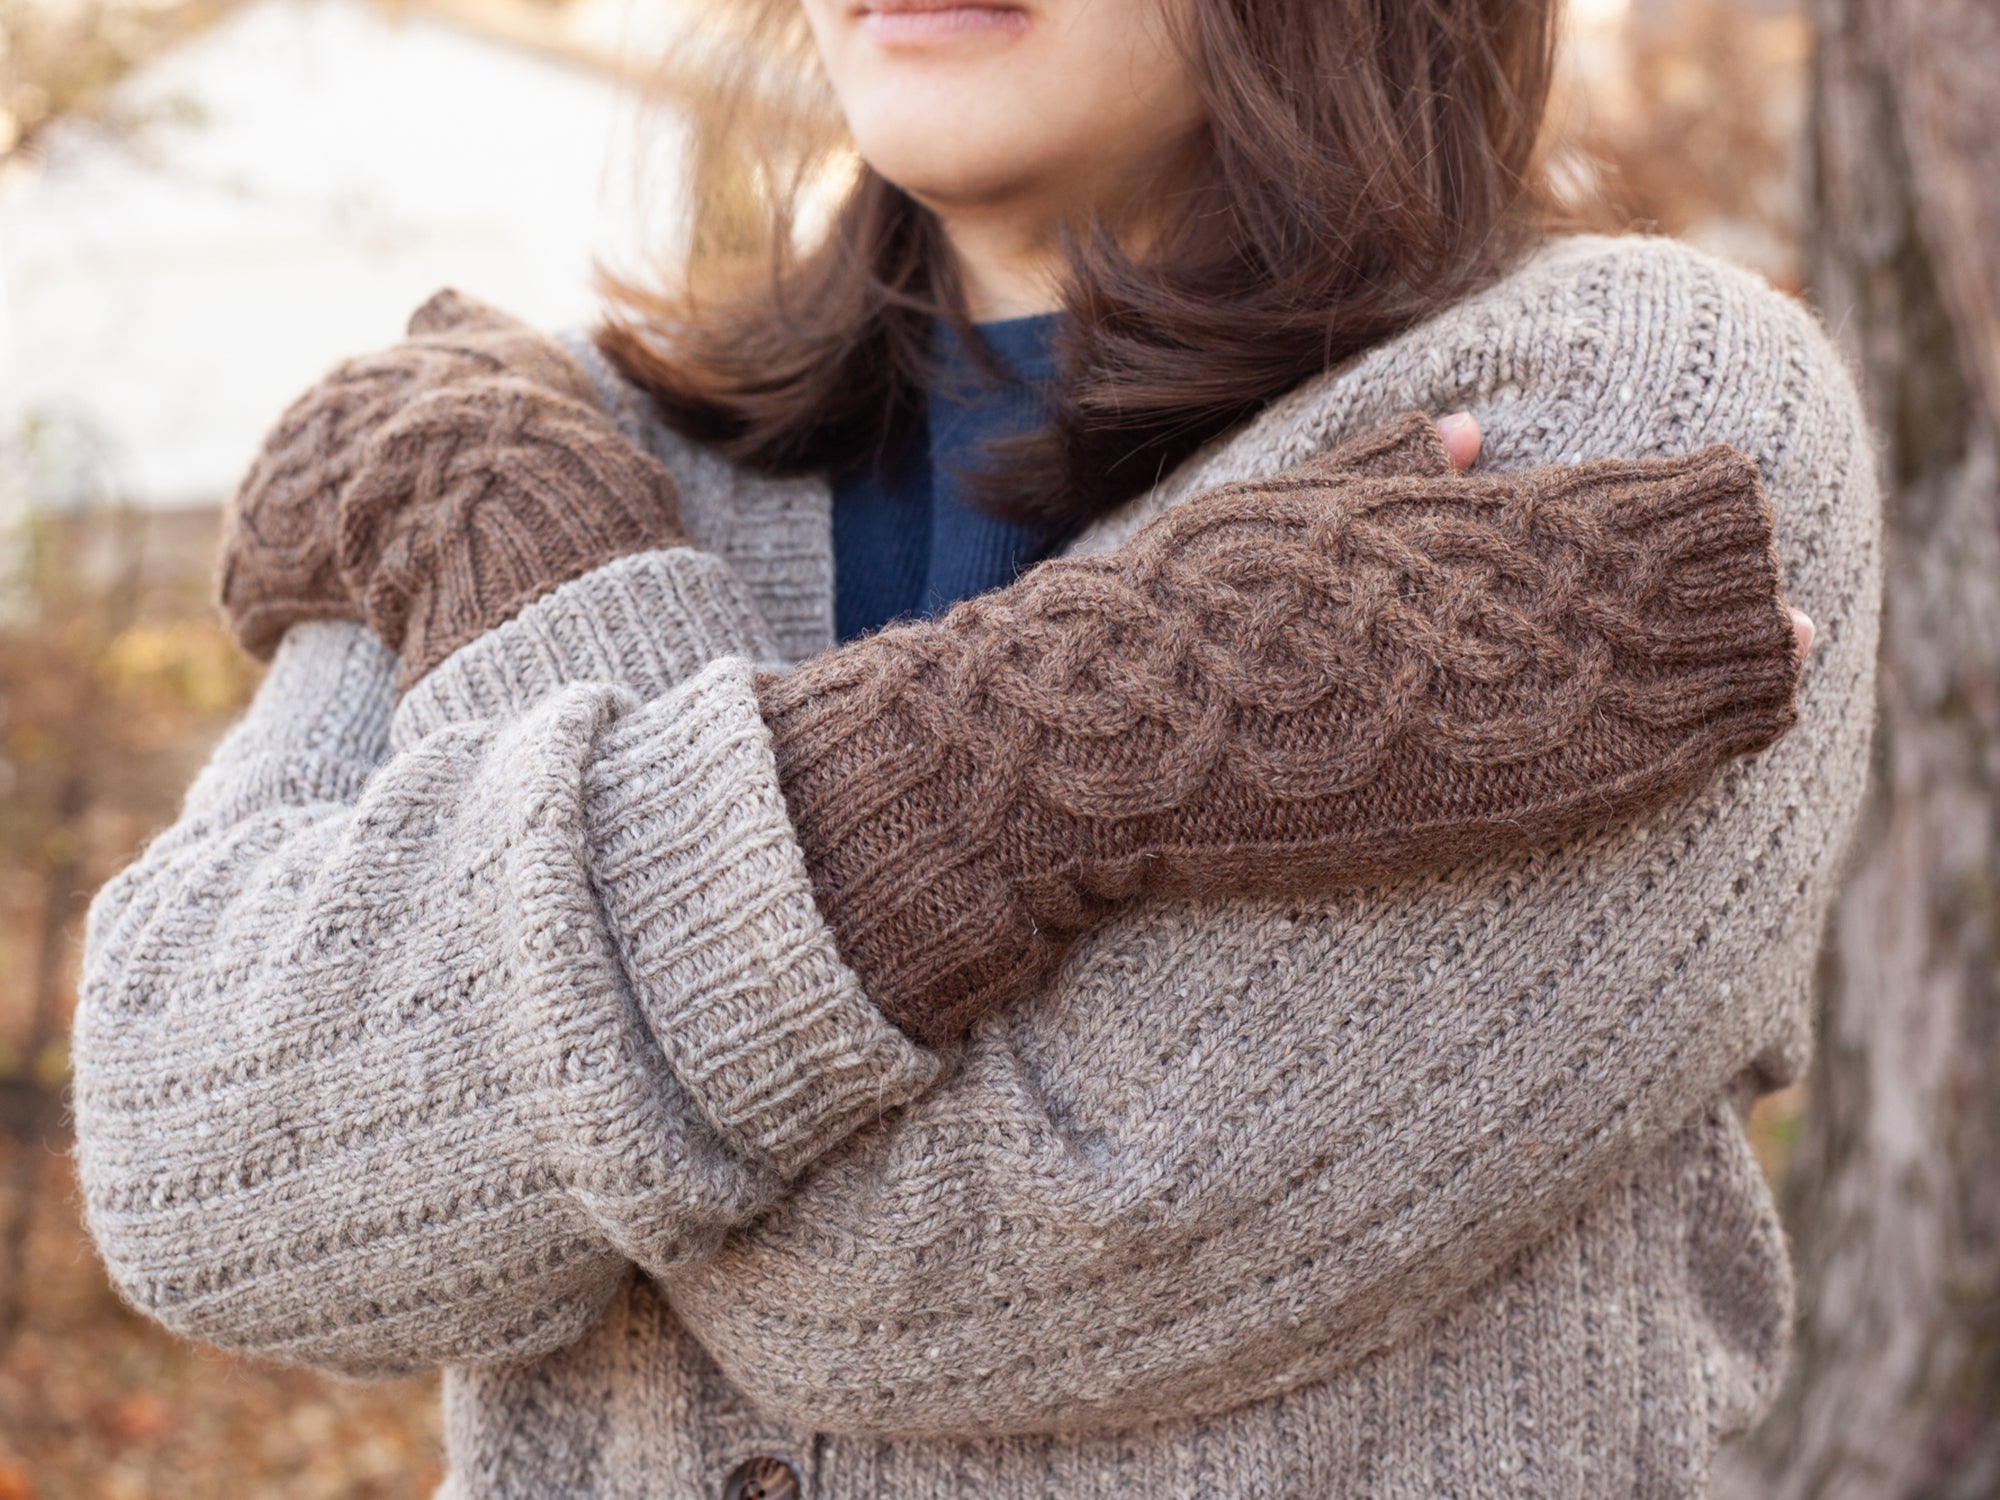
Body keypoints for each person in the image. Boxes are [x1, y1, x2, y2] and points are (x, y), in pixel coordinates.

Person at [73, 1, 1876, 1497]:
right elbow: (190, 1163)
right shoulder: (544, 454)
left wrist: (557, 614)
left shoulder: (1634, 408)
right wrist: (1050, 730)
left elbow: (911, 1278)